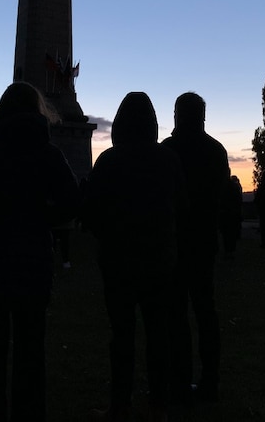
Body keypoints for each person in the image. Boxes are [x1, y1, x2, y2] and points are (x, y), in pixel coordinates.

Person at [0, 81, 80, 422]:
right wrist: (40, 219)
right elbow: (71, 202)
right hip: (33, 258)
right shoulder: (48, 154)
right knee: (31, 347)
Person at [82, 92, 187, 422]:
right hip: (159, 260)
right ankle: (158, 405)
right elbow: (182, 208)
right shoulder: (169, 160)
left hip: (119, 262)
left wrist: (107, 238)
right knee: (158, 334)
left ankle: (120, 404)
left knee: (122, 336)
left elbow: (93, 212)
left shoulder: (109, 161)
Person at [161, 92, 230, 405]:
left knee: (176, 315)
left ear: (177, 115)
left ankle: (180, 379)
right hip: (203, 241)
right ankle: (210, 381)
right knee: (206, 312)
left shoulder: (168, 151)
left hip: (175, 242)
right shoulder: (216, 150)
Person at [220, 175, 243, 260]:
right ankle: (231, 251)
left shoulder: (222, 186)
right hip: (233, 213)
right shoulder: (235, 187)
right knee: (232, 234)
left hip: (225, 213)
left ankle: (227, 251)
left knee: (226, 234)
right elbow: (239, 200)